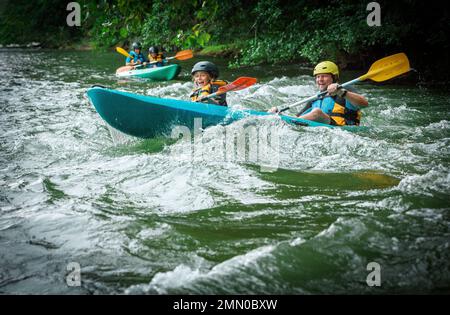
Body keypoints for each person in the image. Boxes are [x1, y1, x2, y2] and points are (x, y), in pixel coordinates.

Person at [269, 61, 368, 126]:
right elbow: (298, 118)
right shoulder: (315, 98)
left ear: (334, 78)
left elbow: (364, 103)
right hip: (324, 129)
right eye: (317, 77)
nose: (320, 80)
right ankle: (280, 119)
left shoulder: (345, 90)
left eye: (324, 76)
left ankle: (284, 123)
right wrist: (279, 114)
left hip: (343, 129)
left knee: (317, 113)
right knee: (306, 115)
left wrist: (342, 92)